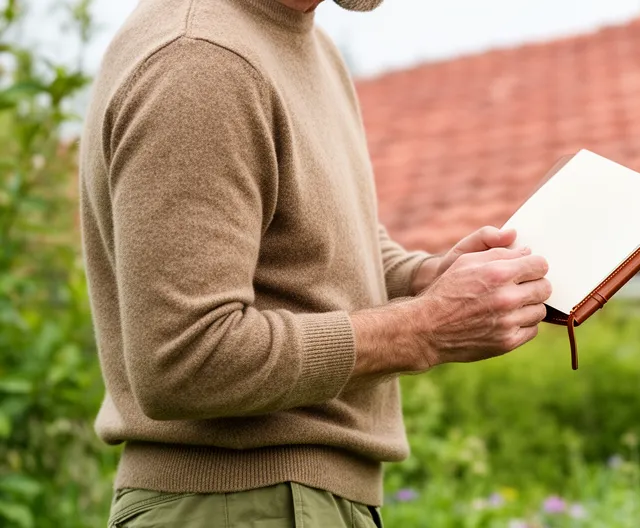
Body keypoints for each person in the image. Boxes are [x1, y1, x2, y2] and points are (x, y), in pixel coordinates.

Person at [78, 0, 552, 525]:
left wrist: (421, 277)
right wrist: (424, 327)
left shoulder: (302, 45)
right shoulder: (200, 62)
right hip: (242, 504)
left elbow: (318, 240)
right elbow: (186, 357)